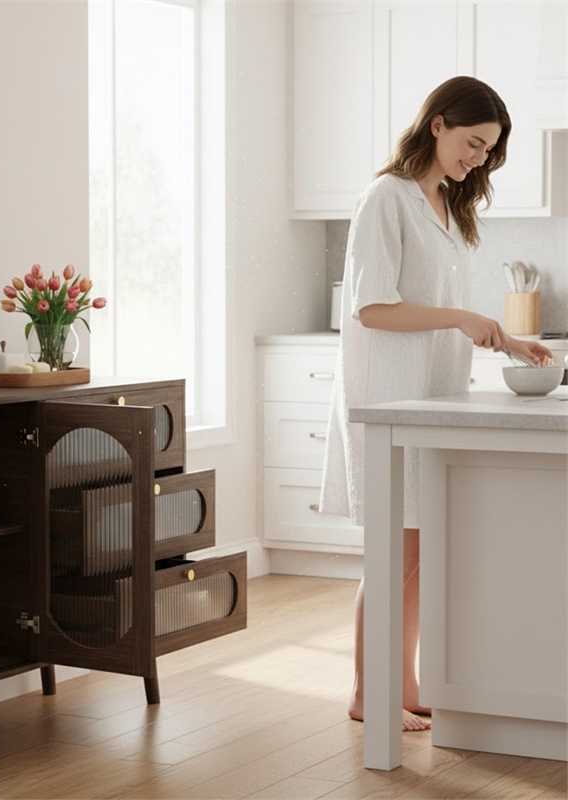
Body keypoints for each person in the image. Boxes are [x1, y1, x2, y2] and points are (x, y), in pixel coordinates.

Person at [318, 75, 554, 732]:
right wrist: (460, 317)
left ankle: (406, 682)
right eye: (473, 144)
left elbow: (440, 308)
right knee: (395, 552)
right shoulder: (385, 198)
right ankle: (370, 692)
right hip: (388, 399)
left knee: (421, 552)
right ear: (439, 123)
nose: (477, 159)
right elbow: (373, 307)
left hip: (430, 400)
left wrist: (504, 337)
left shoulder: (447, 205)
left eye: (488, 152)